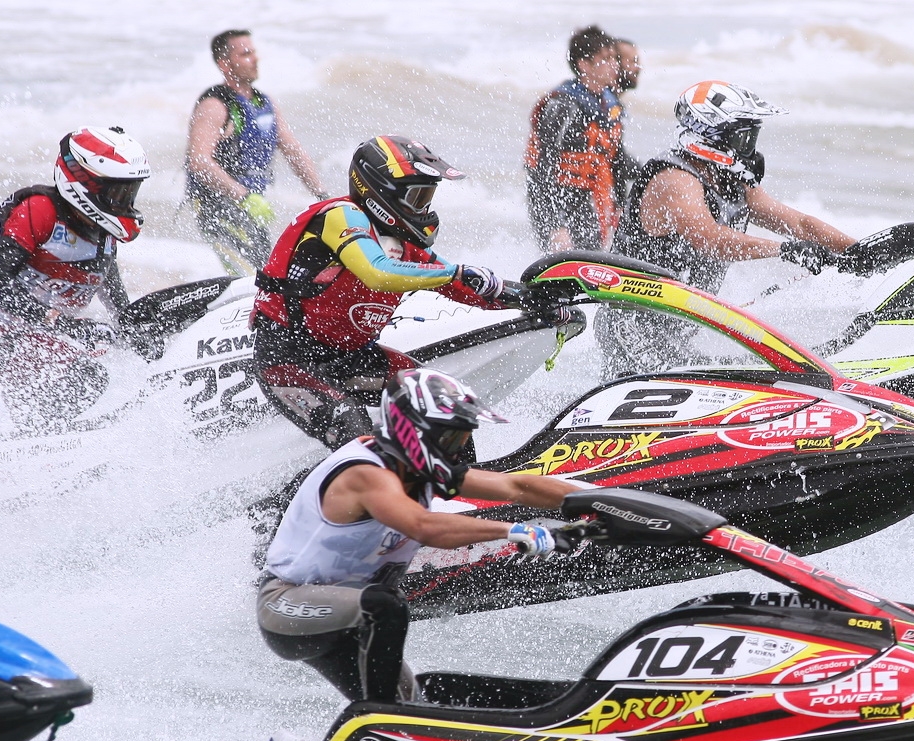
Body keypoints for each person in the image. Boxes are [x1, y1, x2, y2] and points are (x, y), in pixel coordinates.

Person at [257, 368, 581, 703]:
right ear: (414, 432)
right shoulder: (365, 474)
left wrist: (595, 500)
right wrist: (512, 530)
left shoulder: (416, 468)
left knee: (415, 706)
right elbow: (423, 526)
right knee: (386, 606)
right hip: (287, 607)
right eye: (451, 439)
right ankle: (384, 721)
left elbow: (516, 486)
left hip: (350, 617)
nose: (458, 450)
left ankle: (350, 734)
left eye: (463, 439)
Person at [249, 135, 518, 452]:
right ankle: (353, 478)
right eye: (417, 197)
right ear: (382, 191)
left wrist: (533, 297)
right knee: (357, 437)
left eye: (427, 197)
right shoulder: (341, 215)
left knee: (444, 406)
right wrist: (455, 273)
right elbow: (377, 273)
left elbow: (462, 286)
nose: (424, 208)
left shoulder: (401, 241)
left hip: (351, 358)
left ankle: (459, 479)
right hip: (288, 359)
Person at [601, 81, 854, 376]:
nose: (750, 149)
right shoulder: (674, 179)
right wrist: (786, 250)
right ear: (712, 137)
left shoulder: (732, 181)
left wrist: (858, 250)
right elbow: (712, 240)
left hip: (674, 329)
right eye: (744, 138)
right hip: (632, 325)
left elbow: (799, 223)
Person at [0, 126, 150, 429]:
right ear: (85, 183)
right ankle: (34, 436)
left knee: (118, 372)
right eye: (118, 193)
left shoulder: (104, 233)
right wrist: (59, 322)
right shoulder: (39, 210)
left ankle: (47, 432)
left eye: (130, 192)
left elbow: (115, 298)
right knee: (88, 377)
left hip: (48, 337)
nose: (125, 202)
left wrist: (139, 335)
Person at [186, 29, 327, 276]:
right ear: (224, 64)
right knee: (252, 278)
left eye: (254, 52)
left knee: (266, 275)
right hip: (216, 206)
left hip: (251, 206)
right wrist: (243, 197)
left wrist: (322, 195)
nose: (255, 59)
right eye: (245, 54)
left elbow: (294, 152)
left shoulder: (264, 103)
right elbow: (198, 161)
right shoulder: (214, 105)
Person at [524, 25, 639, 252]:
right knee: (570, 262)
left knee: (595, 257)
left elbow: (616, 162)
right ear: (584, 65)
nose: (615, 65)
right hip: (556, 202)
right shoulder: (562, 105)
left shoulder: (609, 105)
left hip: (589, 201)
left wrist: (621, 206)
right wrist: (555, 226)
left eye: (614, 58)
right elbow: (540, 171)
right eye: (605, 59)